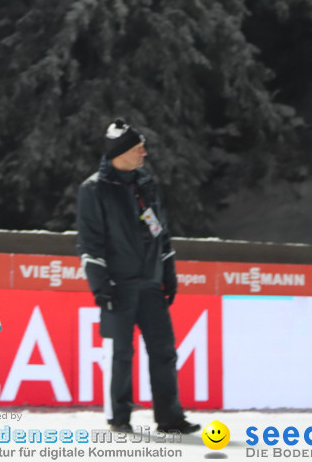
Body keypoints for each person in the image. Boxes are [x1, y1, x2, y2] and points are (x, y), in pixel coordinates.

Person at [76, 119, 199, 436]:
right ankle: (119, 418)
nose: (145, 153)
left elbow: (163, 233)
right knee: (120, 353)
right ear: (120, 152)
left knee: (164, 350)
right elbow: (90, 244)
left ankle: (170, 417)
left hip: (150, 284)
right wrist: (101, 287)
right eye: (138, 147)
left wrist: (168, 274)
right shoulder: (94, 189)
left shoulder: (148, 183)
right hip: (118, 285)